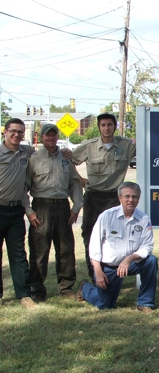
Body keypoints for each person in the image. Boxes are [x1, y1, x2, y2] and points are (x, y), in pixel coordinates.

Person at [75, 182, 158, 312]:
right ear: (120, 198)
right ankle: (85, 288)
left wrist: (129, 259)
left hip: (131, 264)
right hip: (110, 267)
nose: (131, 200)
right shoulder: (106, 216)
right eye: (127, 196)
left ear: (138, 199)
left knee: (151, 261)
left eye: (134, 197)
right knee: (105, 305)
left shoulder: (144, 219)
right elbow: (94, 247)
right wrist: (98, 272)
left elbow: (147, 246)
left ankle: (144, 303)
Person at [72, 113, 136, 281]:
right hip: (93, 197)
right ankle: (94, 274)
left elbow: (147, 143)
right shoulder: (88, 146)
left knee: (114, 237)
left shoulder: (126, 145)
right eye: (103, 125)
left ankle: (111, 275)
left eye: (109, 125)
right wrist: (80, 180)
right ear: (99, 127)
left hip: (115, 198)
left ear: (115, 126)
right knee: (90, 235)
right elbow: (69, 160)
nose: (106, 128)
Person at [26, 124, 83, 302]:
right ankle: (37, 290)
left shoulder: (66, 158)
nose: (51, 139)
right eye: (47, 136)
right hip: (41, 206)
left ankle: (66, 287)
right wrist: (29, 211)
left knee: (66, 248)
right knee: (39, 250)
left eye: (54, 135)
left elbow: (74, 183)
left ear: (57, 137)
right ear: (41, 137)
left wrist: (76, 206)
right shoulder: (33, 159)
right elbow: (24, 186)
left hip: (62, 207)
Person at [0, 118, 37, 309]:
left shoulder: (27, 152)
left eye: (20, 132)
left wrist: (64, 151)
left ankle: (24, 295)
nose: (16, 135)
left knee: (18, 254)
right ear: (4, 132)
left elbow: (46, 153)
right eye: (13, 131)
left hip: (16, 211)